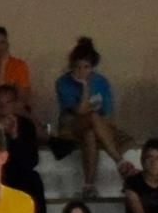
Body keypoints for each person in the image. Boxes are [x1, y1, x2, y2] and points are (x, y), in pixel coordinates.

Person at [50, 37, 139, 198]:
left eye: (86, 67)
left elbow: (108, 113)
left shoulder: (101, 82)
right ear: (72, 66)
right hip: (71, 126)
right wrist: (84, 87)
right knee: (90, 117)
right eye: (77, 67)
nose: (82, 71)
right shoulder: (63, 82)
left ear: (92, 67)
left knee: (90, 133)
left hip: (97, 126)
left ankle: (89, 185)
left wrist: (101, 124)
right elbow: (79, 112)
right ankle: (119, 161)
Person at [0, 84, 47, 213]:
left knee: (33, 180)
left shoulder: (25, 125)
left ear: (14, 105)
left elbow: (31, 160)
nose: (3, 107)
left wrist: (14, 137)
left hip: (20, 176)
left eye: (7, 103)